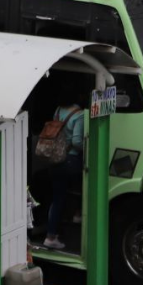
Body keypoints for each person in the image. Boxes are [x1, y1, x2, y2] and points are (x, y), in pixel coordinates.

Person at [42, 101, 85, 250]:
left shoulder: (58, 110)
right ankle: (77, 214)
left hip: (55, 159)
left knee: (57, 198)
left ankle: (51, 235)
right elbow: (77, 142)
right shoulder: (80, 115)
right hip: (70, 160)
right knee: (84, 184)